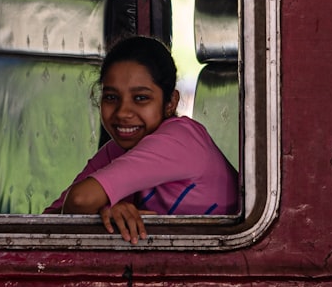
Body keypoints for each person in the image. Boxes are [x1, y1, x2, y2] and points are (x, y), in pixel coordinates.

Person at [44, 35, 239, 244]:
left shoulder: (180, 140)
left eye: (140, 98)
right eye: (111, 97)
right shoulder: (118, 150)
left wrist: (96, 207)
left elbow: (80, 200)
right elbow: (51, 218)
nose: (122, 112)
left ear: (171, 102)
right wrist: (105, 210)